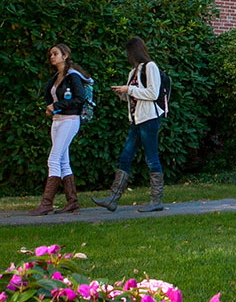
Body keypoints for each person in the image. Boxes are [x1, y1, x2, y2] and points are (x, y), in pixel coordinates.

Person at [92, 36, 166, 213]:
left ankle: (156, 200)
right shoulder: (133, 72)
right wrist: (123, 94)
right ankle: (113, 199)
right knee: (126, 156)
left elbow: (153, 94)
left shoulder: (151, 67)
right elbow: (136, 95)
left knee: (151, 158)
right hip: (137, 120)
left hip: (149, 119)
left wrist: (129, 89)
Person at [29, 44, 92, 215]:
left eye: (56, 54)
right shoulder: (56, 77)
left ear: (65, 56)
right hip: (57, 120)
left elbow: (79, 99)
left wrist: (56, 105)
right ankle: (72, 201)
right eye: (51, 54)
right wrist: (52, 108)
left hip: (70, 119)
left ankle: (47, 203)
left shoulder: (73, 77)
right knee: (63, 161)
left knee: (54, 158)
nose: (52, 57)